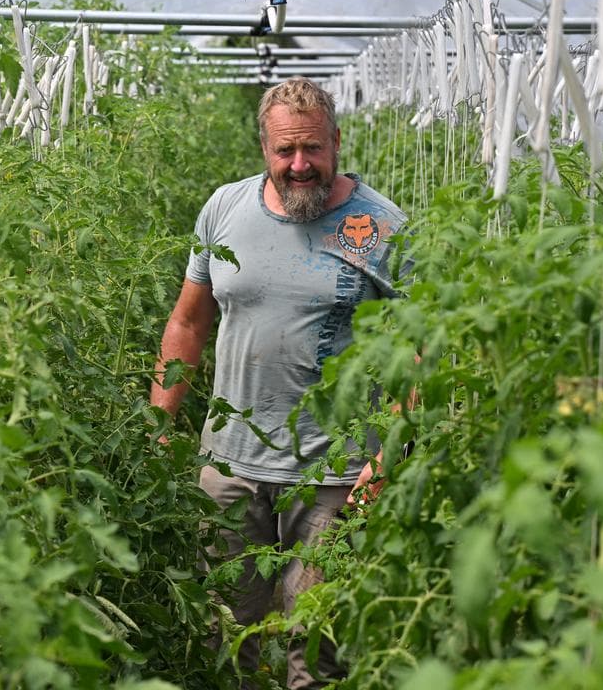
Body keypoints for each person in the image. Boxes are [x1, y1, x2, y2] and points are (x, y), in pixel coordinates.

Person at [149, 76, 409, 689]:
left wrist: (388, 455)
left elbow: (419, 348)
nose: (299, 164)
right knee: (223, 638)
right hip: (230, 468)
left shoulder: (381, 226)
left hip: (334, 475)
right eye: (285, 149)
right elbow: (188, 322)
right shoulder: (225, 208)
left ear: (336, 142)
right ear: (264, 147)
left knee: (317, 650)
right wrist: (160, 424)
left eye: (312, 148)